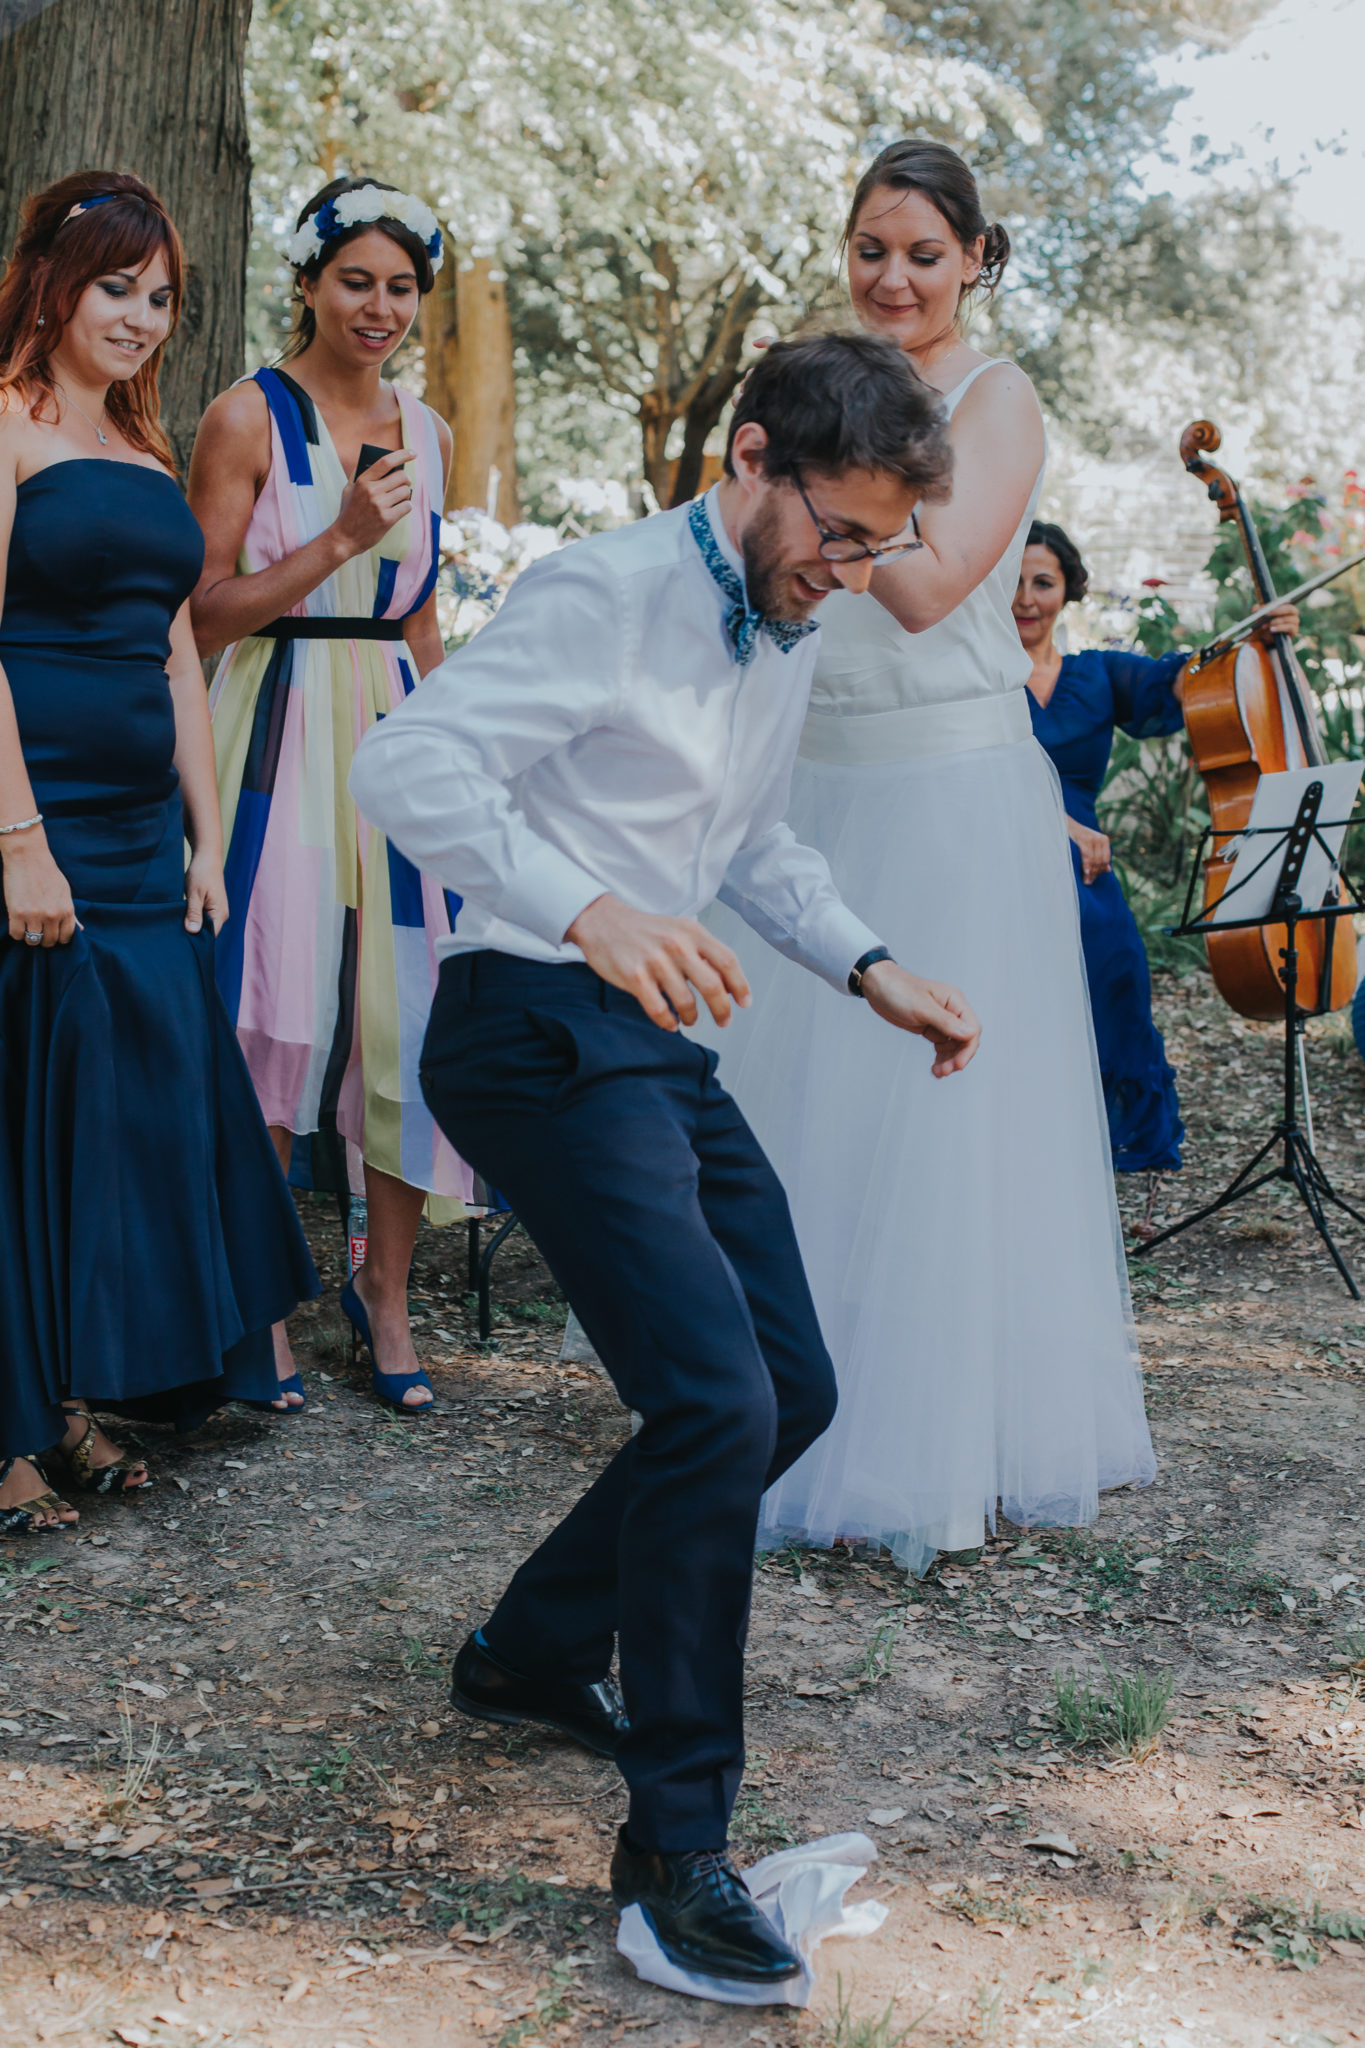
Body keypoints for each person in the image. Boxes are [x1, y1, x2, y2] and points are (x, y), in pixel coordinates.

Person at [350, 333, 978, 1984]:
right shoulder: (603, 591)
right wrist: (594, 906)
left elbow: (750, 839)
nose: (850, 572)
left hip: (644, 1038)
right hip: (533, 1017)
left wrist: (868, 963)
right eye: (838, 533)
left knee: (790, 1381)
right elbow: (405, 761)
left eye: (875, 544)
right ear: (751, 457)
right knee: (715, 1401)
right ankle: (675, 1847)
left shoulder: (778, 618)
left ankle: (532, 1646)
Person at [698, 140, 1157, 1578]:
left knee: (938, 1131)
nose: (892, 277)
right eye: (870, 249)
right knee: (794, 1126)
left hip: (947, 791)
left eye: (922, 254)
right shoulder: (815, 379)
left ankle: (934, 1447)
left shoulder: (994, 399)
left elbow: (927, 588)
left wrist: (800, 467)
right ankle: (765, 1413)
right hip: (808, 776)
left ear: (974, 260)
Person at [0, 170, 318, 1533]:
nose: (140, 317)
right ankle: (9, 1439)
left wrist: (204, 836)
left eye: (161, 298)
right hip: (33, 821)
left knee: (111, 1122)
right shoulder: (2, 429)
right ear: (51, 282)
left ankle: (68, 1404)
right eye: (117, 287)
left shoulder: (143, 446)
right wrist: (17, 840)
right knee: (21, 1120)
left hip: (139, 843)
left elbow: (179, 647)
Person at [188, 176, 467, 1416]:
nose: (380, 306)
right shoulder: (246, 416)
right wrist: (340, 537)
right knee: (272, 1007)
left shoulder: (430, 427)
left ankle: (387, 1293)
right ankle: (261, 1303)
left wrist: (457, 741)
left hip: (396, 733)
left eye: (402, 286)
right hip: (274, 725)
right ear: (307, 282)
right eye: (356, 279)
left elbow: (419, 611)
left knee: (404, 1014)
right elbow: (198, 614)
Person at [1013, 520, 1300, 1191]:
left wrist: (1256, 636)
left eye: (1042, 582)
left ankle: (1116, 1144)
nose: (1025, 599)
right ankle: (1024, 1128)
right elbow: (964, 772)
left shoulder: (1097, 673)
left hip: (1083, 860)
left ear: (1067, 591)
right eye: (1011, 583)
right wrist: (1053, 823)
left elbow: (1185, 680)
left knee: (1114, 965)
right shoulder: (971, 681)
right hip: (1003, 843)